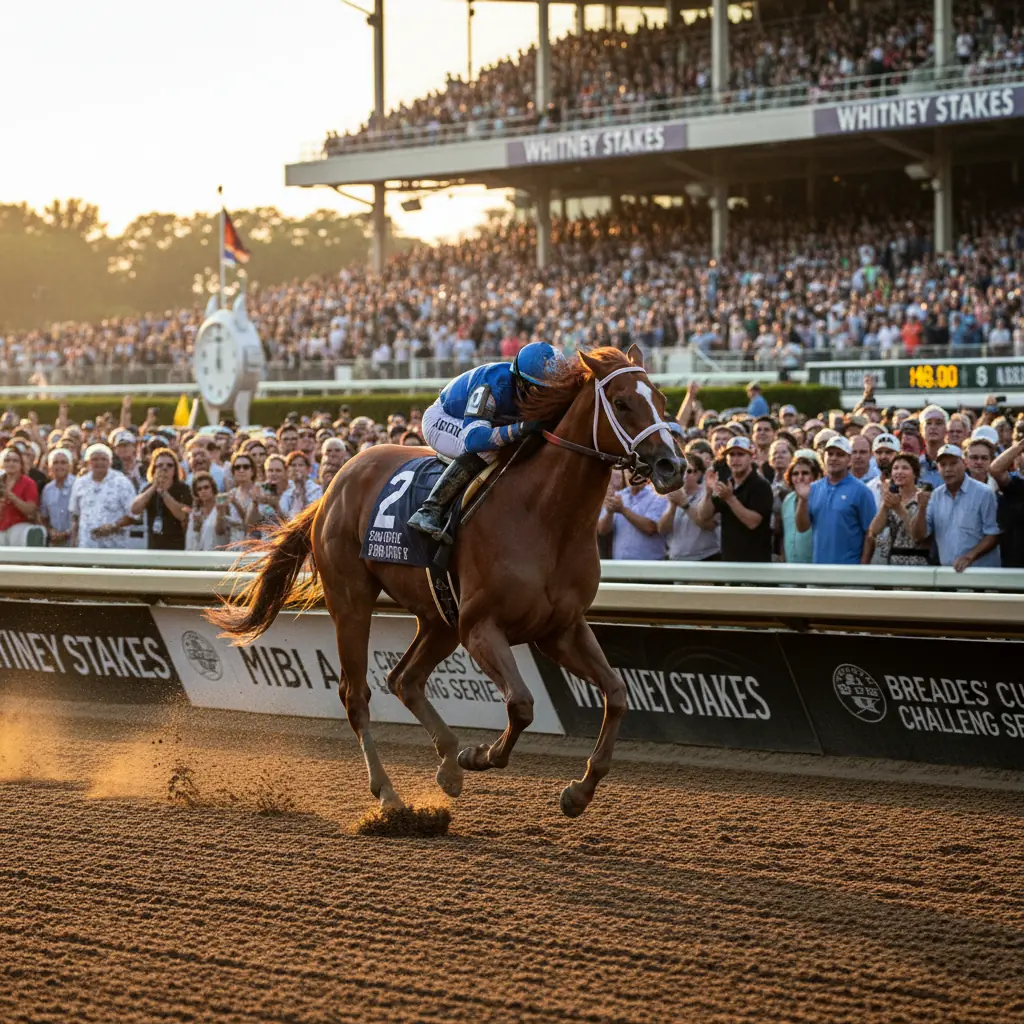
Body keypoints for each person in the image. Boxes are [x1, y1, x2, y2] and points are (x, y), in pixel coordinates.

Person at [409, 341, 562, 543]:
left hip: (483, 422)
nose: (548, 397)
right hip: (442, 419)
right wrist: (520, 429)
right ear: (523, 383)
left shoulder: (525, 383)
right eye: (542, 391)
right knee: (488, 450)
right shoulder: (492, 385)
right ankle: (430, 509)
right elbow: (474, 440)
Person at [911, 444, 1001, 571]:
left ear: (964, 464)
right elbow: (919, 535)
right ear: (938, 468)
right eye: (943, 465)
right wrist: (921, 508)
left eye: (953, 463)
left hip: (981, 574)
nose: (948, 469)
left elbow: (993, 534)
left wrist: (969, 557)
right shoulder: (936, 495)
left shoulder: (984, 493)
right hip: (949, 574)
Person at [793, 435, 875, 565]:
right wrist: (803, 500)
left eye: (840, 455)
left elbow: (870, 534)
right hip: (819, 569)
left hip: (849, 571)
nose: (833, 458)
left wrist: (862, 568)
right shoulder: (813, 488)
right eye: (830, 454)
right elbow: (802, 528)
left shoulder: (861, 491)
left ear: (849, 459)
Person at [696, 436, 773, 562]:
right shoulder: (726, 484)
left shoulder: (761, 485)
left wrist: (730, 498)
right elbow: (703, 516)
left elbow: (753, 522)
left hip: (756, 563)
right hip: (729, 560)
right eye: (731, 454)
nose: (735, 459)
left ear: (751, 457)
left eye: (740, 454)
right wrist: (708, 492)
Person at [866, 453, 930, 566]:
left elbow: (918, 537)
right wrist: (885, 504)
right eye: (895, 468)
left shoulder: (924, 498)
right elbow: (874, 530)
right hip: (892, 562)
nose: (899, 472)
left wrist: (899, 509)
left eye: (905, 468)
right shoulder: (893, 499)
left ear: (915, 473)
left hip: (917, 562)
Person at [70, 443, 137, 549]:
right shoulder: (80, 483)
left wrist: (113, 526)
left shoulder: (122, 482)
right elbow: (76, 516)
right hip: (86, 546)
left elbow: (133, 515)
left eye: (103, 459)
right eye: (95, 459)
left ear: (110, 462)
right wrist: (74, 542)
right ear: (88, 463)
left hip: (115, 548)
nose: (99, 462)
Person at [658, 454, 720, 561]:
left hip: (705, 558)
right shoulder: (669, 496)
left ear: (699, 473)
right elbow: (662, 529)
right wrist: (673, 506)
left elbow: (709, 525)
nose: (684, 475)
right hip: (676, 559)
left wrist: (684, 504)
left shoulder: (707, 494)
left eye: (689, 471)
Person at [598, 470, 669, 560]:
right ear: (625, 474)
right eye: (631, 471)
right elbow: (602, 530)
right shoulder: (618, 496)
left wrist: (623, 510)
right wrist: (609, 513)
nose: (635, 474)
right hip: (620, 565)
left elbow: (651, 527)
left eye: (640, 470)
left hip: (651, 566)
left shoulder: (658, 496)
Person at [131, 447, 192, 550]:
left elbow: (182, 515)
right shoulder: (148, 488)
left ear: (175, 469)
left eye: (169, 465)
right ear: (154, 469)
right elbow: (134, 509)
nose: (165, 468)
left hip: (177, 547)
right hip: (154, 546)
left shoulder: (184, 488)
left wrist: (163, 492)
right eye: (160, 465)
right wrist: (154, 487)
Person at [780, 450, 820, 563]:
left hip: (814, 567)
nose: (800, 477)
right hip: (790, 568)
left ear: (815, 476)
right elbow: (784, 534)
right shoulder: (788, 499)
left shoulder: (822, 498)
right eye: (795, 474)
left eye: (805, 473)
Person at [0, 445, 39, 546]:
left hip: (20, 527)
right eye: (7, 460)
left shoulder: (28, 483)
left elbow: (30, 509)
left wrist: (12, 497)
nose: (11, 463)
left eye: (15, 460)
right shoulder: (1, 481)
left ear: (21, 464)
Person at [39, 447, 75, 547]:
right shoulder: (48, 489)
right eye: (55, 462)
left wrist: (67, 533)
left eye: (63, 462)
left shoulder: (78, 485)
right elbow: (44, 516)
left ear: (69, 466)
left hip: (75, 540)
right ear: (50, 467)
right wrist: (50, 531)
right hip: (55, 541)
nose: (59, 466)